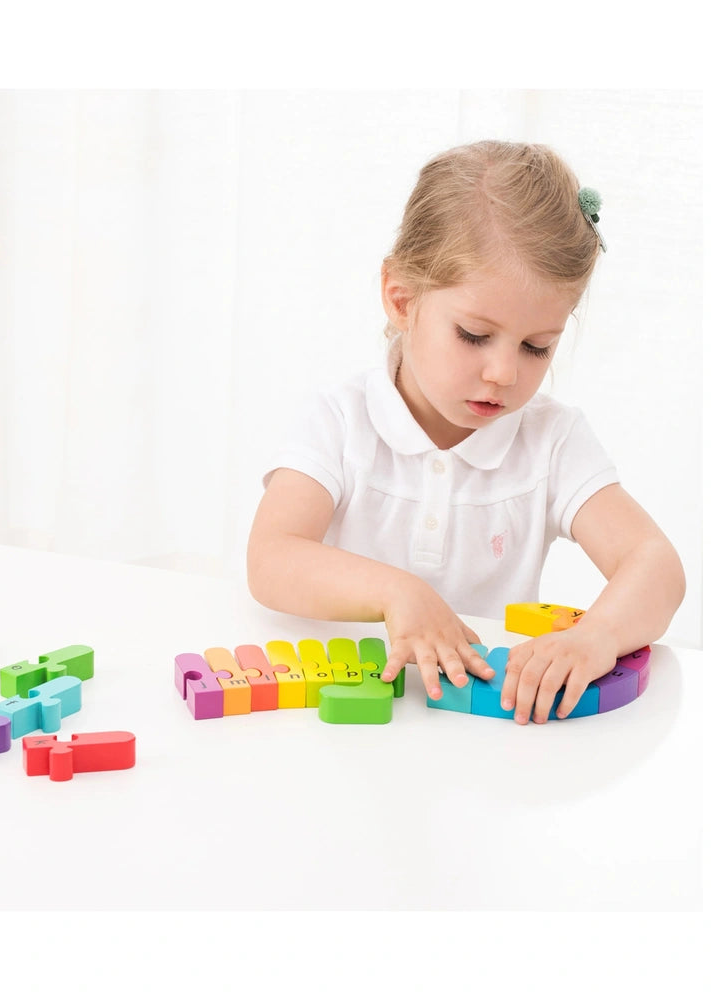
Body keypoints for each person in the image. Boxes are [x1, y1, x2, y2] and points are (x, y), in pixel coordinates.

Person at [246, 140, 685, 725]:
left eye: (537, 347)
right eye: (475, 335)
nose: (504, 373)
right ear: (402, 300)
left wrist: (597, 636)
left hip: (484, 731)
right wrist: (397, 593)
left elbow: (654, 563)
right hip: (345, 721)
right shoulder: (340, 421)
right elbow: (270, 558)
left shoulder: (551, 440)